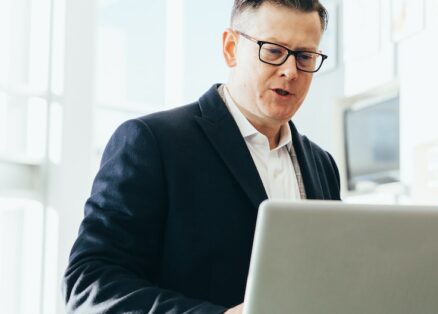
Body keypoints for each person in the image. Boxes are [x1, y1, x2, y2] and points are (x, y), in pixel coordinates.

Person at [63, 1, 339, 313]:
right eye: (273, 50)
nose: (290, 71)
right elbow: (89, 285)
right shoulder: (151, 142)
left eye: (304, 56)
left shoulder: (322, 165)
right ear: (231, 48)